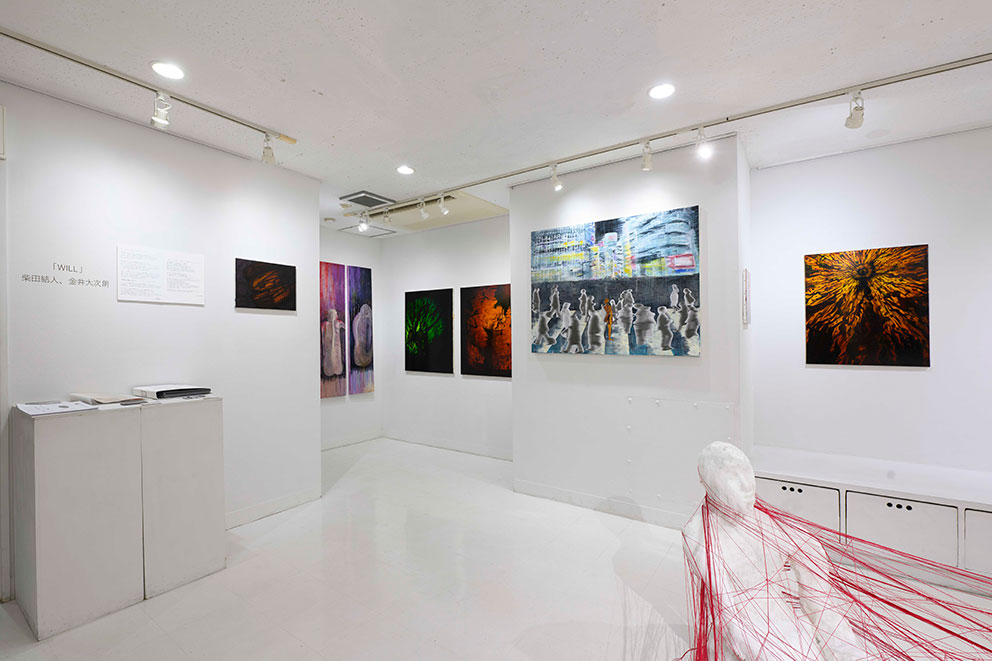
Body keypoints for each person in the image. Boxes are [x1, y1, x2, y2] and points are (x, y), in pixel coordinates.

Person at [683, 443, 881, 660]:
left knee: (814, 649)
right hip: (742, 628)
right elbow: (730, 619)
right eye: (731, 476)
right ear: (705, 482)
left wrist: (847, 651)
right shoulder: (699, 536)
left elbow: (820, 601)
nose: (747, 485)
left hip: (778, 613)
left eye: (747, 472)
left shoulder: (773, 526)